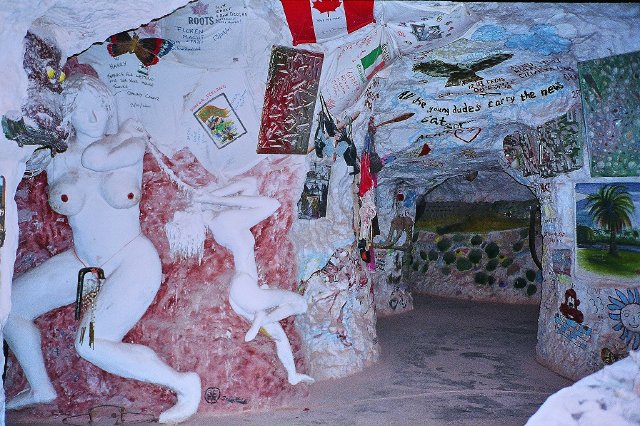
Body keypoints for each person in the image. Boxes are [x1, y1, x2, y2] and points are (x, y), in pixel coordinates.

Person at [3, 74, 200, 424]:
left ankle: (183, 383)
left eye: (98, 106)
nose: (92, 116)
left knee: (92, 344)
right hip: (83, 262)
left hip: (130, 259)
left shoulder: (126, 144)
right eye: (80, 108)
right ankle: (40, 387)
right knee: (10, 307)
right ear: (67, 113)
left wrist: (120, 129)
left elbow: (95, 160)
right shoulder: (56, 157)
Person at [194, 177, 314, 385]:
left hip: (244, 290)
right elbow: (270, 204)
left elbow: (248, 185)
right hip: (246, 289)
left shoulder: (223, 224)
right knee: (300, 304)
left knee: (279, 335)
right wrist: (215, 196)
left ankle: (292, 375)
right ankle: (262, 320)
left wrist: (216, 196)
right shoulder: (226, 220)